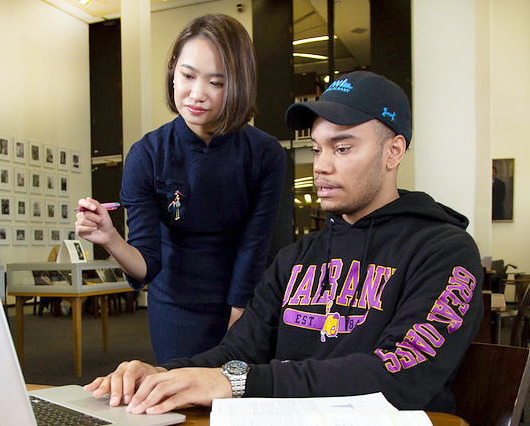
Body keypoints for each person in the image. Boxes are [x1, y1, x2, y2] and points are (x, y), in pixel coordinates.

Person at [82, 71, 483, 415]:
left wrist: (239, 382)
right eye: (317, 149)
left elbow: (398, 375)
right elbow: (238, 351)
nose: (322, 166)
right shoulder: (297, 258)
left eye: (342, 148)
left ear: (393, 151)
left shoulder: (445, 251)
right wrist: (164, 374)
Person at [75, 14, 286, 363]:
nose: (197, 94)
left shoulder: (264, 153)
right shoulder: (148, 154)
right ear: (173, 70)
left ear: (239, 84)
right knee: (178, 391)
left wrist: (239, 320)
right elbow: (147, 265)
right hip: (175, 306)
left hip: (246, 301)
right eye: (187, 76)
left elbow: (255, 245)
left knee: (240, 393)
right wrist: (110, 238)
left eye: (216, 82)